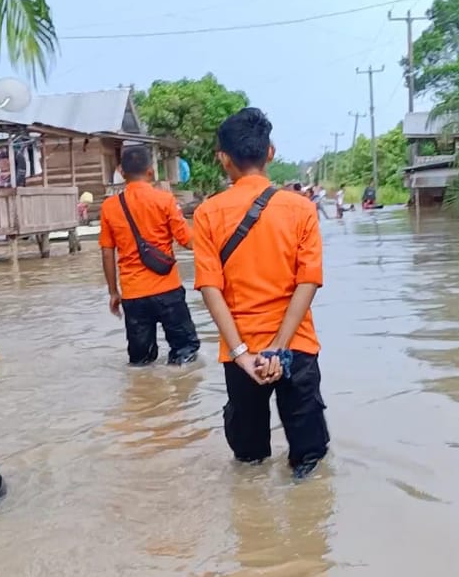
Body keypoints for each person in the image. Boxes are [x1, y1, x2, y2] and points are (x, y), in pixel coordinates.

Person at [192, 107, 329, 478]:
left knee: (249, 463)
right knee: (309, 462)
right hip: (296, 347)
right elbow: (308, 282)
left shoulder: (207, 214)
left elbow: (210, 288)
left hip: (242, 355)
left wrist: (240, 353)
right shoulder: (301, 209)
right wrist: (280, 347)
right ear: (271, 152)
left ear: (223, 159)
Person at [99, 145, 200, 366]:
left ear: (121, 172)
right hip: (168, 290)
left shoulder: (109, 207)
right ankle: (181, 395)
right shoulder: (164, 200)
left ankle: (143, 397)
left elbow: (107, 252)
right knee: (185, 352)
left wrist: (113, 292)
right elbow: (189, 242)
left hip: (133, 294)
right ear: (151, 172)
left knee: (139, 362)